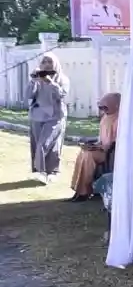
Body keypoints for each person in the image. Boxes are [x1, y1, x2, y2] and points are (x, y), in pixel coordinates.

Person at [69, 93, 120, 202]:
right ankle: (78, 190)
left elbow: (117, 141)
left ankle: (85, 192)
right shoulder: (106, 117)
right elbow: (102, 137)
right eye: (101, 108)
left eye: (105, 107)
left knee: (88, 156)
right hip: (101, 148)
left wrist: (102, 147)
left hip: (112, 152)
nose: (103, 110)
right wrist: (92, 144)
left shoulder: (120, 118)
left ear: (114, 105)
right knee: (83, 153)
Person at [28, 53, 69, 183]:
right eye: (44, 62)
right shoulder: (37, 79)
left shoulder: (62, 79)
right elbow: (28, 95)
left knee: (47, 143)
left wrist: (50, 82)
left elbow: (61, 94)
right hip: (37, 115)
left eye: (50, 62)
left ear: (55, 64)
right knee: (37, 144)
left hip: (55, 116)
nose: (46, 64)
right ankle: (40, 171)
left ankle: (52, 171)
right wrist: (33, 81)